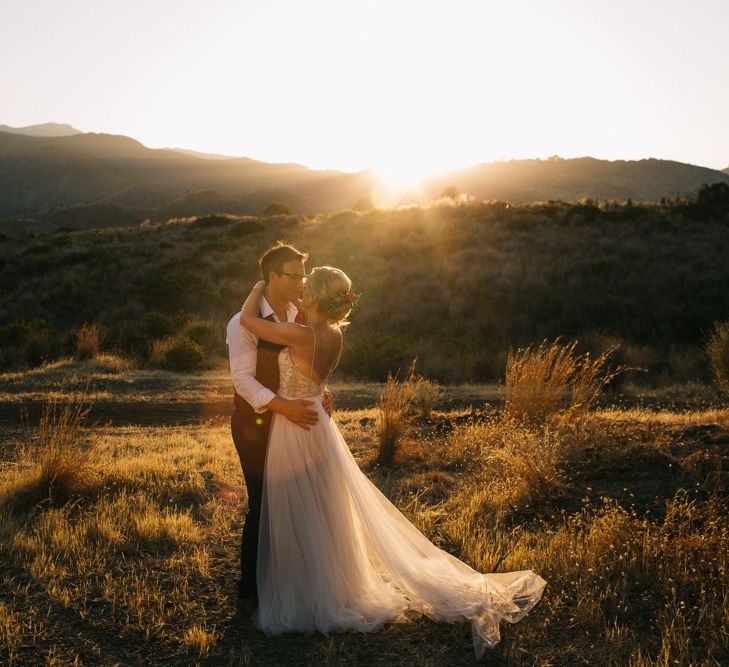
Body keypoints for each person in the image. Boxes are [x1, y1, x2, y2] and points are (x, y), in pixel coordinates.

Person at [238, 266, 547, 658]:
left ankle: (309, 595)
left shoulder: (301, 333)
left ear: (314, 297)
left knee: (300, 508)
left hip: (296, 426)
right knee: (325, 508)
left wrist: (260, 286)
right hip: (317, 419)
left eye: (306, 285)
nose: (300, 289)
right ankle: (332, 585)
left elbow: (249, 320)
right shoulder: (332, 333)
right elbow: (311, 367)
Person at [226, 242, 332, 616]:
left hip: (294, 427)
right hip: (257, 424)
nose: (302, 283)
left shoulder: (298, 315)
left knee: (295, 501)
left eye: (304, 276)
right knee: (261, 505)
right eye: (294, 276)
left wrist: (318, 389)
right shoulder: (241, 323)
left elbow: (304, 359)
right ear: (272, 276)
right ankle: (248, 593)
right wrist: (283, 405)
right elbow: (242, 381)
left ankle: (289, 580)